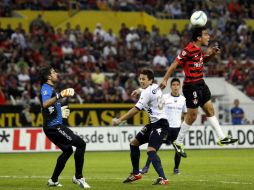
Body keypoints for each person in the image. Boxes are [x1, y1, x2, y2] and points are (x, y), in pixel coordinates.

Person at [159, 26, 238, 158]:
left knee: (210, 110)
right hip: (191, 86)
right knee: (193, 116)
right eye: (206, 34)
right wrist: (165, 79)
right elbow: (174, 64)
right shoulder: (188, 49)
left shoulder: (199, 50)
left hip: (201, 83)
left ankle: (221, 137)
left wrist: (212, 54)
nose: (209, 37)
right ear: (198, 38)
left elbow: (203, 61)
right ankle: (178, 142)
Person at [113, 69, 169, 185]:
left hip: (160, 124)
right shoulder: (155, 87)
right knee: (134, 143)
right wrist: (138, 90)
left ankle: (163, 178)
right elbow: (148, 89)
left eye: (144, 79)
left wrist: (119, 120)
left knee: (151, 150)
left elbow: (135, 110)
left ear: (150, 80)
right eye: (140, 78)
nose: (141, 81)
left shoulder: (147, 92)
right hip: (153, 123)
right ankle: (136, 173)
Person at [39, 65, 90, 188]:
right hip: (54, 127)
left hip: (52, 126)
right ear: (48, 76)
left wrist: (59, 111)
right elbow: (45, 104)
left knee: (68, 151)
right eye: (53, 72)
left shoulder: (49, 88)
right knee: (81, 144)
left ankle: (53, 180)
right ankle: (78, 177)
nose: (56, 73)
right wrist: (60, 95)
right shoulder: (46, 88)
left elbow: (47, 108)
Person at [139, 78, 187, 175]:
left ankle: (176, 169)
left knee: (178, 149)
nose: (176, 87)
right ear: (171, 86)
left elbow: (185, 113)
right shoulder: (164, 97)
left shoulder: (183, 99)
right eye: (173, 85)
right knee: (154, 147)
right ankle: (146, 167)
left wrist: (184, 125)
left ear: (180, 86)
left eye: (177, 85)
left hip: (177, 128)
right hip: (165, 127)